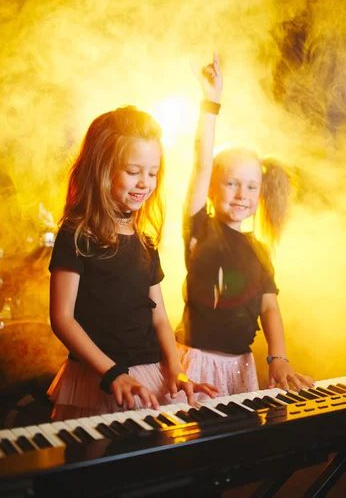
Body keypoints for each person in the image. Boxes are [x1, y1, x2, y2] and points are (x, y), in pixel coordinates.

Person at [48, 105, 218, 421]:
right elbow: (62, 318)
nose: (145, 183)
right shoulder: (76, 234)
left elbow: (160, 320)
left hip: (151, 375)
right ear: (102, 168)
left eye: (152, 173)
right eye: (133, 171)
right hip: (99, 376)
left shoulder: (144, 241)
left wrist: (176, 370)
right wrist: (112, 374)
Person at [175, 54, 314, 398]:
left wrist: (278, 358)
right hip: (195, 364)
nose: (242, 194)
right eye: (231, 183)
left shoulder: (260, 250)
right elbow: (201, 161)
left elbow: (269, 307)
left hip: (242, 367)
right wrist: (211, 103)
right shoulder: (200, 230)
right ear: (210, 188)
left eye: (251, 186)